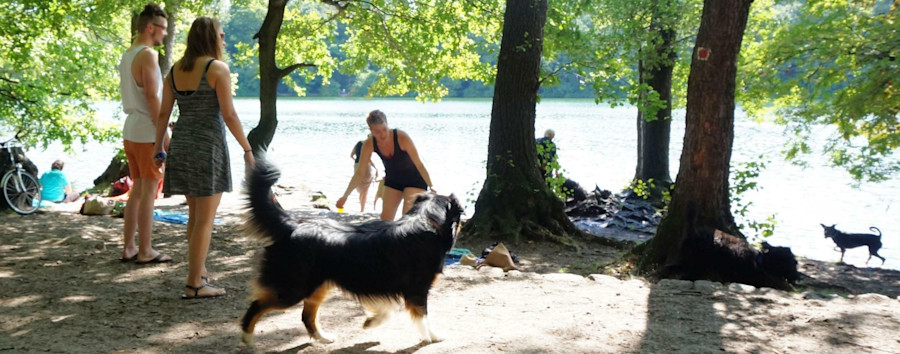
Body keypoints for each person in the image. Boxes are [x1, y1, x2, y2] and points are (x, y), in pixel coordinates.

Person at [153, 16, 255, 299]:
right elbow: (229, 114)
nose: (224, 40)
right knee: (205, 220)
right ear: (211, 38)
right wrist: (247, 149)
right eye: (221, 36)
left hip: (182, 144)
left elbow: (163, 114)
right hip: (208, 147)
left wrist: (157, 148)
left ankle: (199, 273)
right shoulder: (217, 69)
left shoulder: (174, 71)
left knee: (195, 217)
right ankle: (194, 284)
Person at [118, 3, 171, 265]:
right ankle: (146, 249)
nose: (164, 35)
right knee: (148, 191)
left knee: (137, 191)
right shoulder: (148, 55)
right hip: (148, 131)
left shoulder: (128, 54)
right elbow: (152, 97)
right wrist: (164, 135)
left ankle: (129, 246)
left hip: (131, 129)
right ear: (150, 27)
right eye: (162, 29)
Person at [336, 110, 434, 221]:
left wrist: (431, 185)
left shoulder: (401, 137)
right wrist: (345, 196)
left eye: (384, 129)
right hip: (393, 179)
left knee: (407, 221)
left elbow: (419, 164)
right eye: (377, 131)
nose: (382, 134)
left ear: (387, 124)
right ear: (371, 130)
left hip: (415, 180)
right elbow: (359, 173)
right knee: (385, 220)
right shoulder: (369, 144)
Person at [348, 140, 378, 212]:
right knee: (365, 189)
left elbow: (351, 156)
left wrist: (357, 160)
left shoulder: (358, 143)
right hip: (366, 167)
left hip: (357, 166)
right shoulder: (367, 145)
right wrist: (376, 168)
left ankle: (361, 209)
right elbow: (368, 159)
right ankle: (362, 209)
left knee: (360, 188)